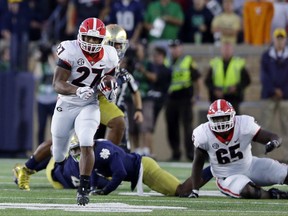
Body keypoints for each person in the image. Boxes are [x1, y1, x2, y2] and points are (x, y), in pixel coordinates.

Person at [51, 17, 119, 206]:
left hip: (90, 104)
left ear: (103, 40)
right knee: (58, 154)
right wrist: (76, 89)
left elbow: (109, 77)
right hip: (67, 103)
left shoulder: (110, 55)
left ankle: (83, 188)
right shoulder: (70, 50)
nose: (91, 43)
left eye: (95, 39)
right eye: (88, 38)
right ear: (80, 36)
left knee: (87, 142)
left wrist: (110, 88)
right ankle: (64, 150)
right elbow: (57, 83)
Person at [13, 137, 213, 196]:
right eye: (75, 150)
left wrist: (104, 191)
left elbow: (120, 172)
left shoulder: (105, 150)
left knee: (181, 191)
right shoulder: (84, 158)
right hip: (58, 175)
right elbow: (90, 176)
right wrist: (93, 188)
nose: (78, 154)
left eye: (79, 149)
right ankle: (26, 169)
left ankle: (214, 169)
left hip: (144, 168)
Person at [188, 99, 288, 199]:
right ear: (210, 119)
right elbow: (198, 163)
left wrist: (274, 143)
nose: (221, 123)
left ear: (232, 116)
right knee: (248, 191)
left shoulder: (243, 125)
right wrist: (195, 190)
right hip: (227, 177)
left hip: (250, 166)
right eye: (217, 119)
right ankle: (275, 195)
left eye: (224, 118)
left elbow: (274, 137)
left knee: (284, 173)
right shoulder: (203, 134)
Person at [95, 24, 144, 152]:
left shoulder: (123, 72)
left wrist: (138, 109)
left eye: (120, 44)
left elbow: (135, 91)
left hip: (115, 108)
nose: (119, 48)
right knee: (90, 143)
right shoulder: (95, 65)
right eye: (115, 44)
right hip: (94, 106)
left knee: (119, 147)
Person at [165, 39, 201, 161]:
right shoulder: (167, 61)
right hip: (171, 97)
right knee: (171, 126)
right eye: (172, 47)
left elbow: (197, 78)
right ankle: (176, 153)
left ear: (181, 48)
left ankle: (190, 154)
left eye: (176, 47)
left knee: (187, 127)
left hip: (185, 97)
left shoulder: (188, 60)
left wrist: (197, 95)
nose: (174, 50)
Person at [205, 41, 251, 113]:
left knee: (234, 121)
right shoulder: (215, 63)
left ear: (232, 50)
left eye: (229, 49)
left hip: (233, 98)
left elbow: (246, 80)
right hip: (218, 99)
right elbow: (207, 81)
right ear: (221, 50)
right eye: (225, 49)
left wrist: (236, 87)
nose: (227, 51)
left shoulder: (238, 63)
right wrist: (215, 90)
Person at [260, 28, 288, 145]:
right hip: (269, 96)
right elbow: (264, 76)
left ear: (285, 40)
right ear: (274, 40)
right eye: (278, 39)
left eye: (282, 39)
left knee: (286, 128)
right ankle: (263, 156)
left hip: (286, 97)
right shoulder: (267, 56)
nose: (280, 42)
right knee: (264, 128)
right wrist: (273, 90)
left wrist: (284, 92)